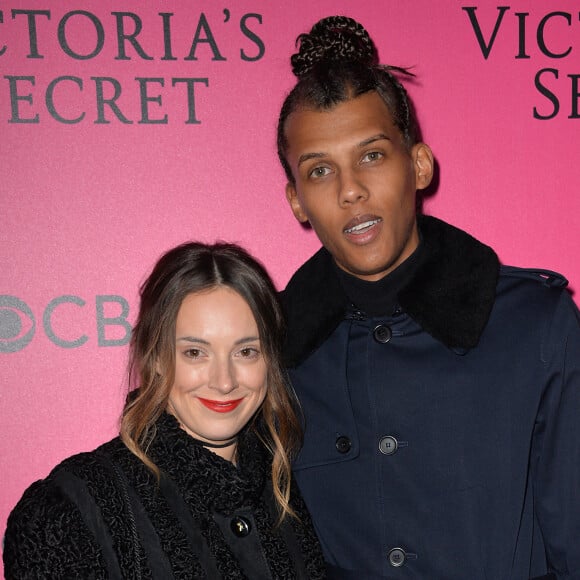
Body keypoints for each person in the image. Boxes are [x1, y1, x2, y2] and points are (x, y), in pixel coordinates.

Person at [276, 15, 580, 580]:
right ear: (296, 200)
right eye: (320, 171)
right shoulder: (268, 347)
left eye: (371, 155)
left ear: (418, 164)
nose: (350, 190)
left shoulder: (537, 325)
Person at [3, 242, 325, 579]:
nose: (225, 381)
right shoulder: (73, 511)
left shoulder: (290, 487)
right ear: (155, 356)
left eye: (246, 351)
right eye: (194, 353)